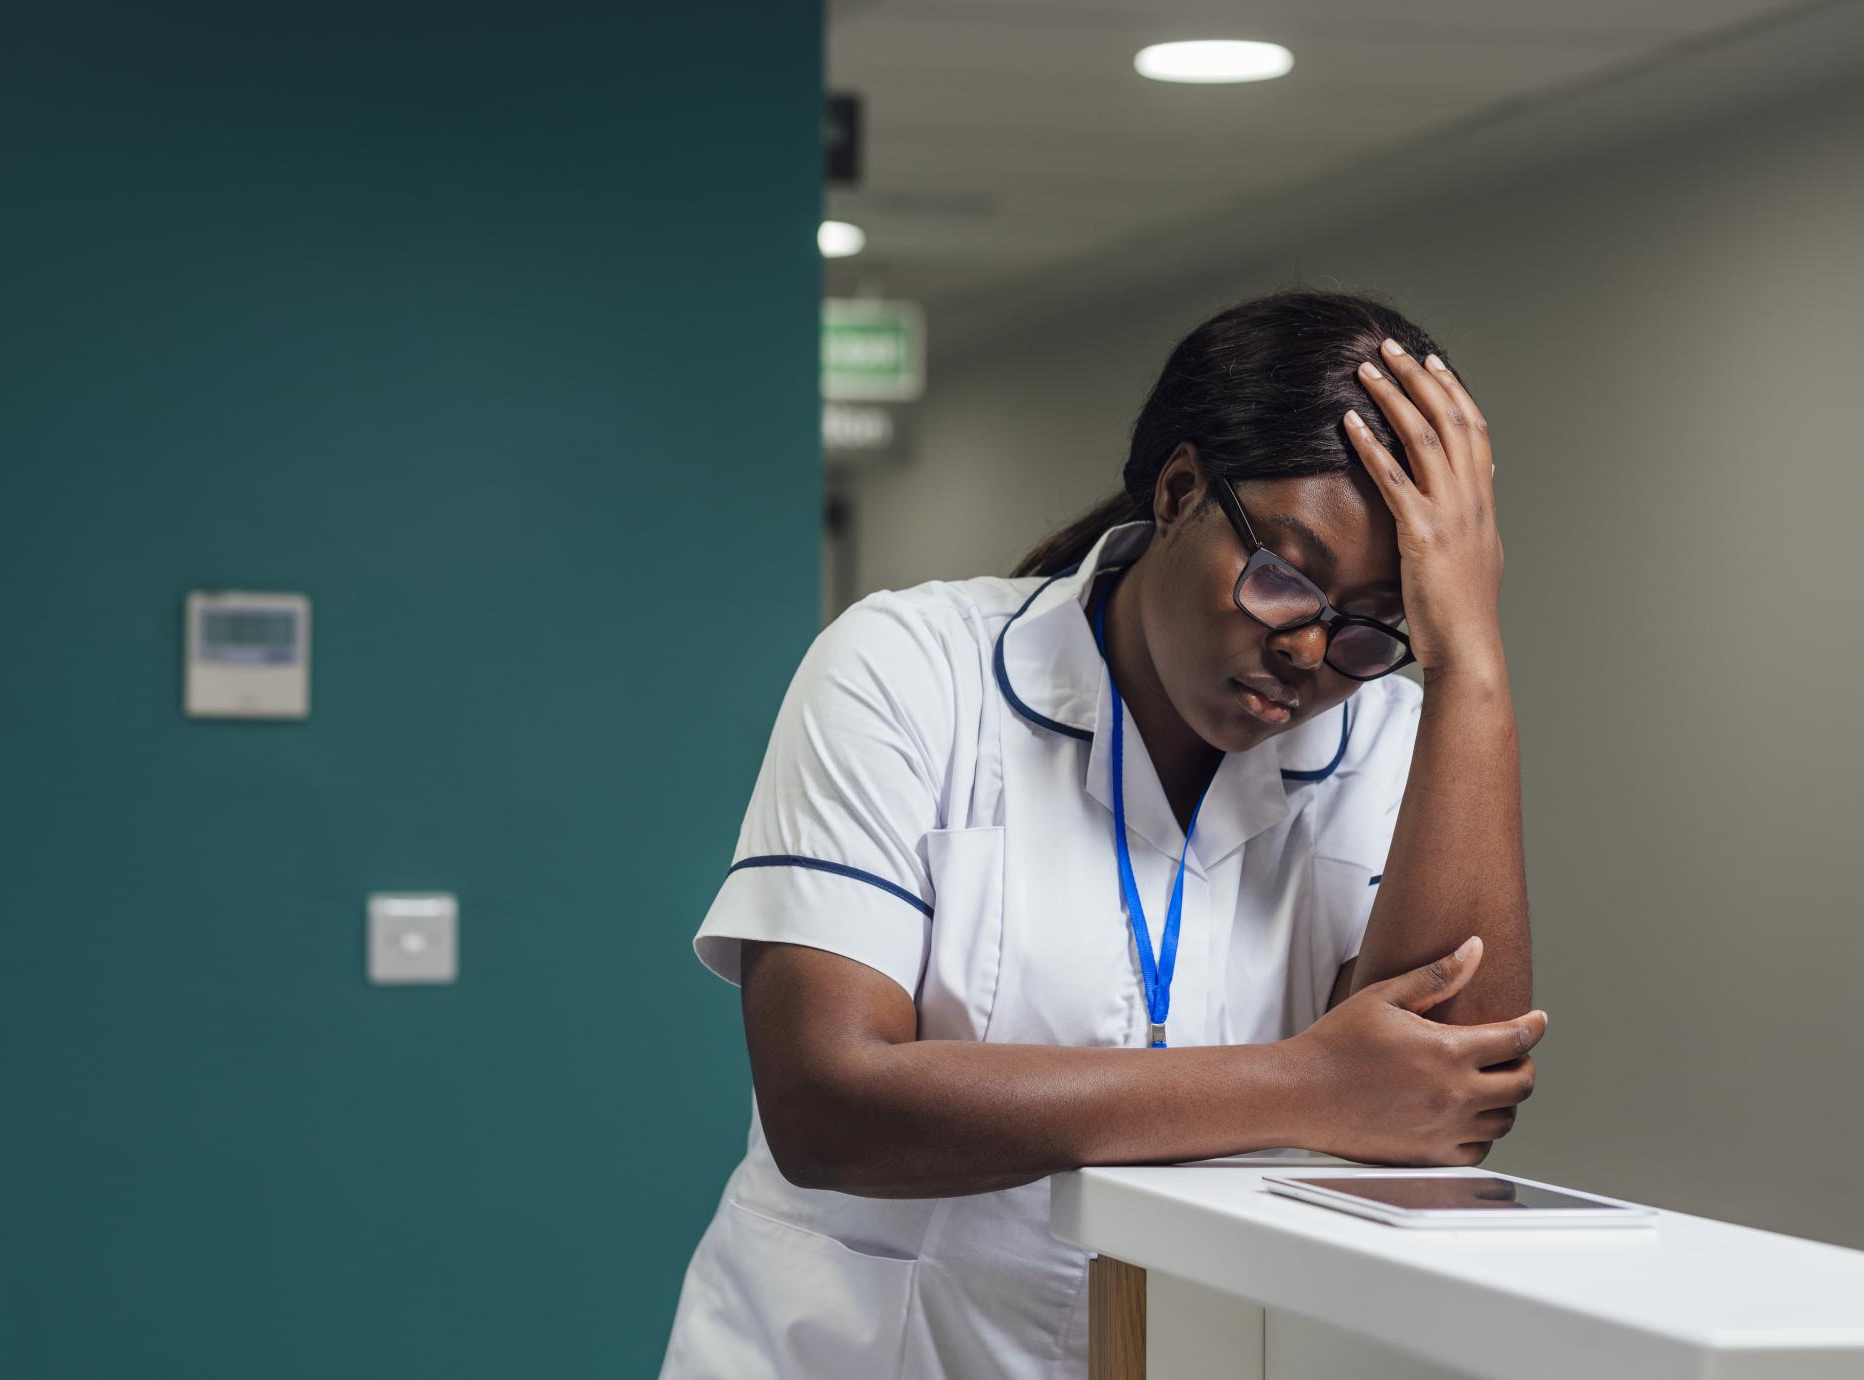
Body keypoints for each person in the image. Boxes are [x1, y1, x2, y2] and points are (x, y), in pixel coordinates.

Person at [658, 289, 1544, 1380]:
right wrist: (1303, 1086)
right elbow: (829, 1105)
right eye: (1284, 579)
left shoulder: (1388, 734)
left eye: (1374, 622)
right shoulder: (906, 669)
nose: (1312, 654)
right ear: (1177, 491)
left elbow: (1443, 1099)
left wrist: (1470, 660)